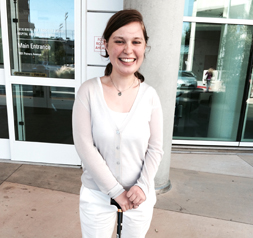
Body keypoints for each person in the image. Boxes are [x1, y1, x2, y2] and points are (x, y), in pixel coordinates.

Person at [72, 9, 163, 238]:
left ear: (144, 47)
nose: (128, 49)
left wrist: (142, 187)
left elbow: (155, 148)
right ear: (106, 44)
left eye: (136, 42)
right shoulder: (88, 91)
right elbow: (84, 146)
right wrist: (114, 192)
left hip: (138, 196)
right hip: (97, 195)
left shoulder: (150, 96)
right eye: (119, 41)